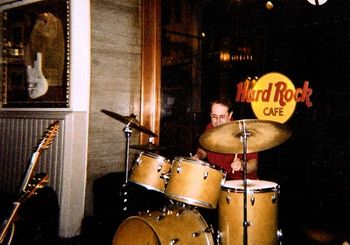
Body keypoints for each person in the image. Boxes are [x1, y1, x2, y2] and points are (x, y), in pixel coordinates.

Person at [195, 98, 259, 180]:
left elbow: (253, 165)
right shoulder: (210, 127)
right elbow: (203, 150)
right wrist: (198, 156)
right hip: (218, 179)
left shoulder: (242, 132)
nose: (218, 121)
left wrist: (242, 165)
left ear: (230, 115)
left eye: (222, 117)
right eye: (214, 116)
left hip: (241, 182)